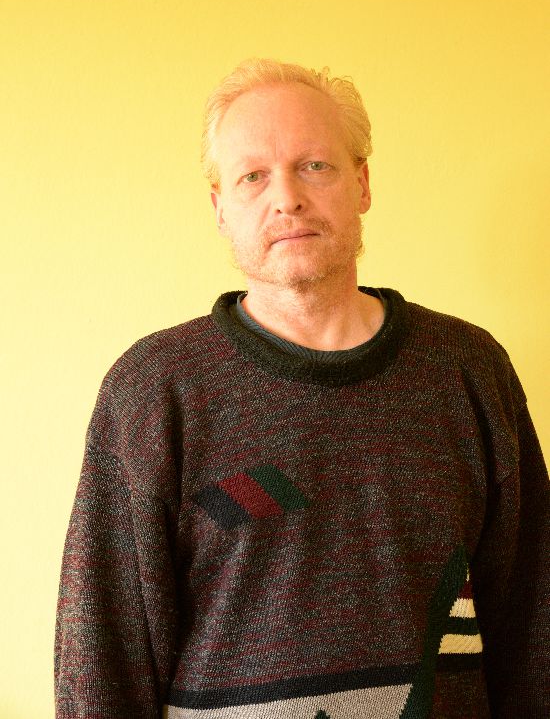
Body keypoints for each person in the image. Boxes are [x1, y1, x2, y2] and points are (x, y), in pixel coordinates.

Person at [55, 58, 549, 718]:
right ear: (220, 208)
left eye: (314, 165)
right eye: (252, 176)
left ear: (362, 183)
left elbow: (533, 623)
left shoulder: (468, 370)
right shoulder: (152, 391)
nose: (286, 197)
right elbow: (101, 655)